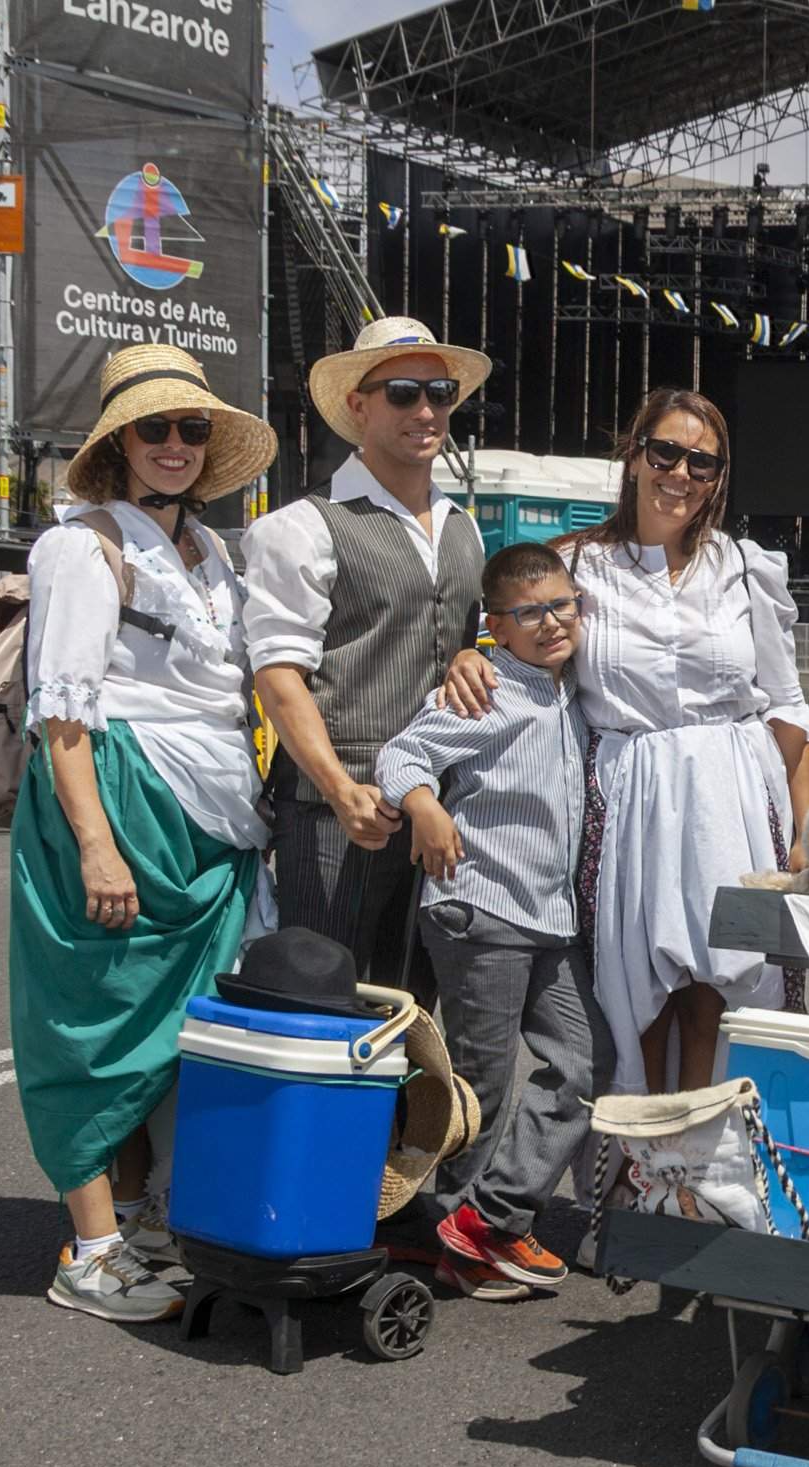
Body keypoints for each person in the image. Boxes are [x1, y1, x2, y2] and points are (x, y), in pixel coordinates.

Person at [10, 344, 276, 1323]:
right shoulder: (82, 546)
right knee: (95, 1027)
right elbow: (63, 713)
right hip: (121, 803)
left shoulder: (212, 553)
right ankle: (88, 1249)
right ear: (119, 442)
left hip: (211, 818)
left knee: (179, 1031)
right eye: (154, 427)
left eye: (191, 427)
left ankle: (145, 1222)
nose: (174, 444)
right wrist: (95, 842)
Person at [446, 390, 809, 1095]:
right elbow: (518, 640)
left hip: (730, 791)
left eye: (702, 462)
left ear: (719, 475)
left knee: (720, 984)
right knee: (636, 988)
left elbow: (789, 701)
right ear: (635, 455)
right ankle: (638, 1164)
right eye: (665, 452)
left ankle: (705, 1157)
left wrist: (803, 828)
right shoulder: (577, 565)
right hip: (627, 792)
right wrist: (467, 658)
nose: (680, 473)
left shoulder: (744, 566)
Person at [374, 544, 612, 1287]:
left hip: (548, 917)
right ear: (496, 627)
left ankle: (489, 1215)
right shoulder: (484, 690)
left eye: (561, 606)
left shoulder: (572, 688)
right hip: (479, 907)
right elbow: (400, 756)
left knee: (588, 1061)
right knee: (481, 1079)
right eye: (528, 613)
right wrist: (424, 807)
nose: (549, 623)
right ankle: (458, 1231)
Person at [243, 317, 493, 1003]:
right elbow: (278, 675)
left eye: (440, 392)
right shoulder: (300, 527)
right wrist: (337, 788)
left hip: (437, 815)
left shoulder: (463, 526)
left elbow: (451, 636)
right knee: (324, 1008)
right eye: (403, 392)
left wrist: (469, 653)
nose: (426, 410)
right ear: (358, 405)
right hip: (335, 814)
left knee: (411, 1013)